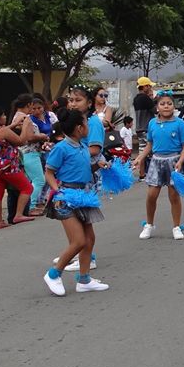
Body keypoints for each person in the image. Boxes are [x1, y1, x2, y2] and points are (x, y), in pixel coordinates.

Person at [42, 108, 109, 296]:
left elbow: (83, 170)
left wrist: (97, 165)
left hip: (84, 195)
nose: (88, 126)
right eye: (86, 124)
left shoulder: (82, 147)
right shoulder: (61, 148)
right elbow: (49, 172)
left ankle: (84, 279)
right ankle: (53, 274)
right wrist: (57, 191)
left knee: (89, 239)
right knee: (78, 241)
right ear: (79, 128)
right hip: (66, 198)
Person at [133, 93, 184, 240]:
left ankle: (176, 227)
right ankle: (149, 224)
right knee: (151, 195)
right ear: (157, 107)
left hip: (174, 161)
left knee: (174, 196)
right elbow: (150, 144)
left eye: (169, 104)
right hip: (156, 161)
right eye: (162, 104)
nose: (166, 106)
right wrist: (140, 158)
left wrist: (181, 161)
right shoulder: (152, 123)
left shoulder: (180, 123)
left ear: (174, 106)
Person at [0, 104, 35, 229]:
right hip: (9, 165)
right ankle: (19, 214)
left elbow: (4, 131)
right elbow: (21, 141)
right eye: (3, 115)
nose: (5, 117)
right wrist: (26, 125)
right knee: (27, 188)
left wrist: (14, 124)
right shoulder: (3, 131)